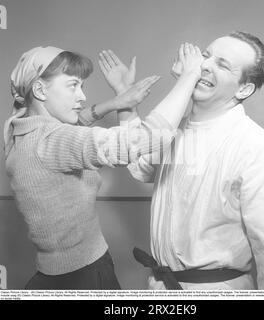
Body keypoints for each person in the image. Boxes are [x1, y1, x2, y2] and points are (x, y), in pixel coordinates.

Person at [4, 44, 203, 289]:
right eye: (72, 85)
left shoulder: (21, 130)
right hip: (82, 277)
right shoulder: (51, 140)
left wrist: (119, 98)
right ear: (40, 89)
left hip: (58, 272)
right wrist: (189, 76)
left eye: (82, 86)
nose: (82, 96)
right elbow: (145, 139)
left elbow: (77, 125)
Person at [129, 31, 264, 290]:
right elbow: (140, 167)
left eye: (222, 64)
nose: (205, 65)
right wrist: (125, 100)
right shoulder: (175, 131)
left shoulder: (255, 145)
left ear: (244, 88)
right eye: (206, 56)